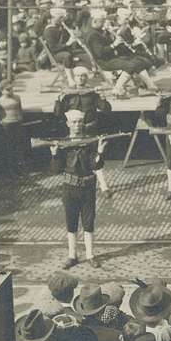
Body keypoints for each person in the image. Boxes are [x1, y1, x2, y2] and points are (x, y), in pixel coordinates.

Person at [50, 110, 110, 268]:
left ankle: (90, 255)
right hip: (69, 188)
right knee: (71, 222)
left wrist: (100, 153)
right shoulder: (62, 144)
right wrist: (55, 155)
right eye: (74, 122)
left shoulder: (90, 142)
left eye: (79, 122)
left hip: (87, 187)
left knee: (88, 222)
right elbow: (56, 170)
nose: (77, 125)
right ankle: (72, 255)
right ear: (68, 124)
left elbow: (95, 166)